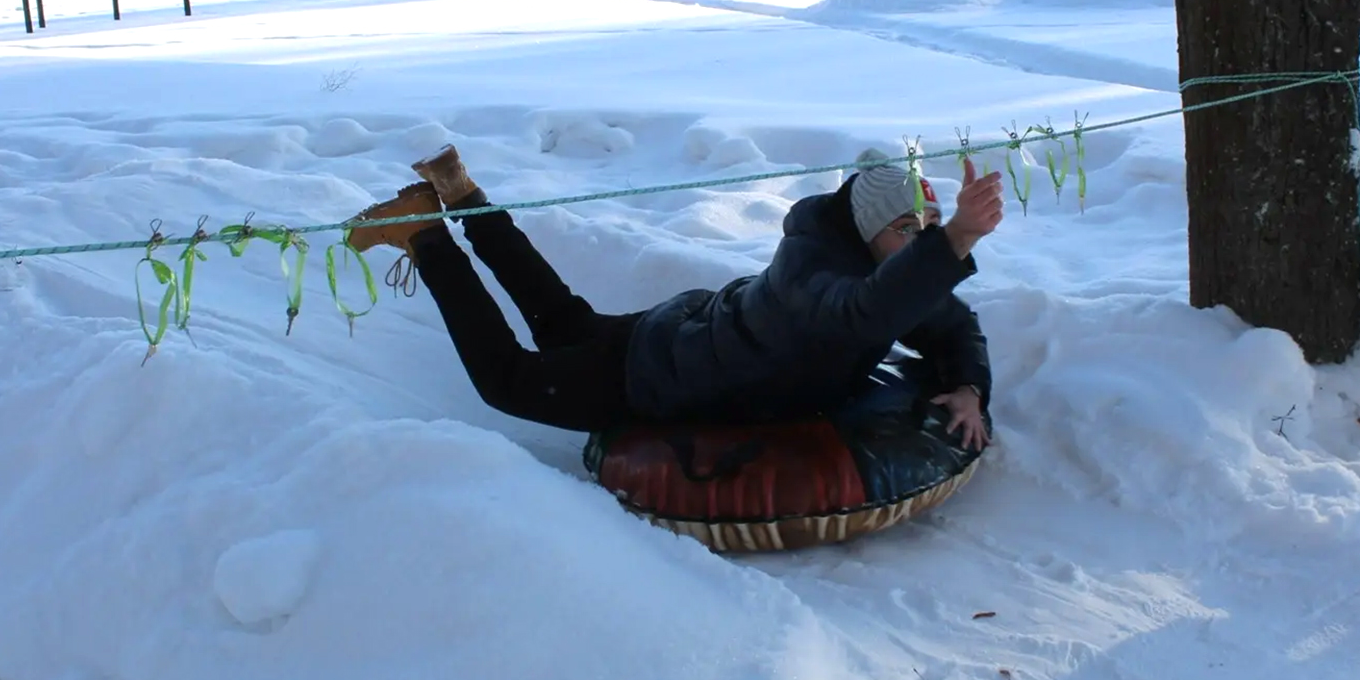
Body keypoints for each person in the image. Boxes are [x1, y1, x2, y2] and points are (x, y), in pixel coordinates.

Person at [349, 146, 999, 447]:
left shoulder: (883, 265)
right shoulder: (817, 274)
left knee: (562, 321)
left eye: (926, 230)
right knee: (508, 378)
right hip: (670, 371)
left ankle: (462, 196)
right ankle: (426, 234)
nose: (918, 243)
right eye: (906, 230)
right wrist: (958, 238)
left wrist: (967, 386)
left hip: (692, 333)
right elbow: (867, 311)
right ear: (867, 230)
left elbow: (948, 322)